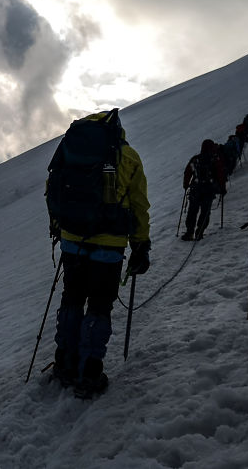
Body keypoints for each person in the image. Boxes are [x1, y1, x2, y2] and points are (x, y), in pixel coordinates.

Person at [48, 110, 151, 397]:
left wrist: (59, 227)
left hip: (71, 241)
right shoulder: (127, 156)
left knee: (71, 297)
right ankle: (89, 372)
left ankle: (64, 362)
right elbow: (139, 204)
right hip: (109, 244)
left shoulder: (69, 149)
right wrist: (140, 244)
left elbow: (52, 188)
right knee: (99, 305)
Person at [182, 139, 226, 241]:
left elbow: (188, 172)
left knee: (192, 210)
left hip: (195, 189)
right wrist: (222, 188)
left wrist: (186, 185)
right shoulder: (215, 159)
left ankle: (189, 232)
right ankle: (199, 232)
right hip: (209, 190)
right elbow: (220, 174)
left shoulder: (195, 159)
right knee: (205, 211)